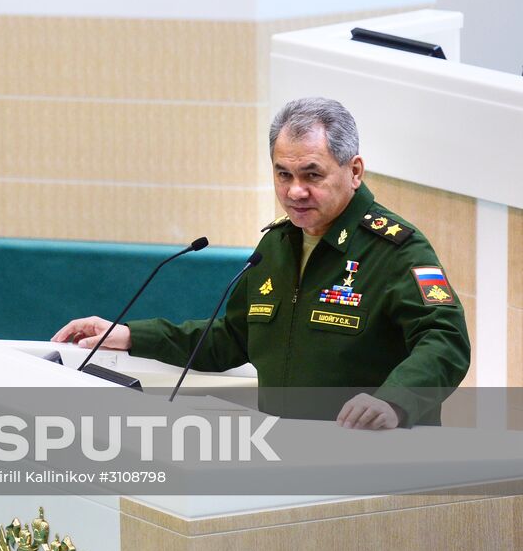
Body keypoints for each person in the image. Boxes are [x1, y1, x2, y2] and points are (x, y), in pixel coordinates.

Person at [52, 97, 470, 429]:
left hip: (371, 454)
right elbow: (231, 338)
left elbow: (445, 340)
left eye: (312, 175)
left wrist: (394, 401)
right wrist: (130, 335)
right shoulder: (276, 245)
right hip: (284, 452)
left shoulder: (398, 250)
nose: (295, 191)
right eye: (283, 174)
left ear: (354, 171)